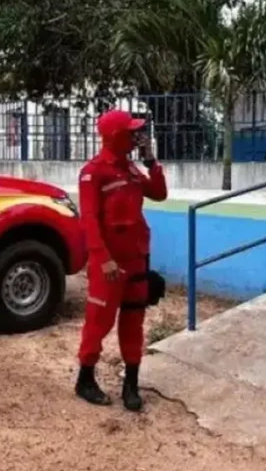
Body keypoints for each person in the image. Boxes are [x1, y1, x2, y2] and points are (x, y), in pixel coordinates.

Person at [74, 109, 167, 412]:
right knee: (98, 322)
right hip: (109, 266)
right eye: (131, 132)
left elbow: (159, 193)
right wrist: (103, 259)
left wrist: (151, 161)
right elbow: (89, 221)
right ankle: (85, 379)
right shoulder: (93, 173)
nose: (137, 136)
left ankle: (131, 384)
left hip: (137, 259)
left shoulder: (131, 169)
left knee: (133, 321)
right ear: (116, 136)